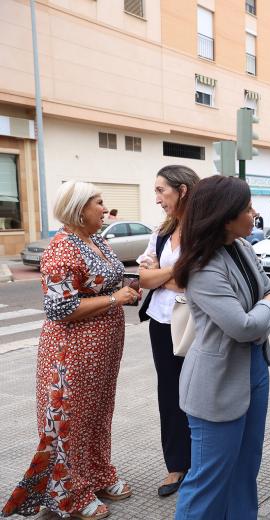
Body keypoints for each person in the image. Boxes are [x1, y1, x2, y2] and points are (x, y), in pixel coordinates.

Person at [2, 181, 140, 520]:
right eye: (98, 202)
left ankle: (96, 475)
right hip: (72, 350)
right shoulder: (62, 247)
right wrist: (115, 298)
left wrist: (126, 287)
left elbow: (106, 281)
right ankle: (70, 495)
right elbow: (59, 308)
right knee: (70, 420)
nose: (104, 209)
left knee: (97, 414)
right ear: (79, 209)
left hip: (103, 347)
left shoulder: (97, 240)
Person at [171, 175, 270, 519]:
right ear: (224, 215)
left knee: (245, 468)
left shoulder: (242, 247)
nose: (254, 214)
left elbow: (267, 287)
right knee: (208, 480)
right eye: (247, 208)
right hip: (215, 383)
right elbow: (243, 326)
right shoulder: (203, 267)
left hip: (254, 370)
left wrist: (265, 304)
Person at [137, 165, 200, 497]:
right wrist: (173, 272)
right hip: (163, 324)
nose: (157, 198)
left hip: (198, 323)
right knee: (170, 394)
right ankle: (177, 465)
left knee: (200, 393)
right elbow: (142, 279)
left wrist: (161, 273)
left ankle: (201, 464)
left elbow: (199, 280)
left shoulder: (205, 230)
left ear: (183, 190)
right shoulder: (161, 232)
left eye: (161, 190)